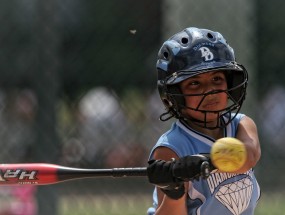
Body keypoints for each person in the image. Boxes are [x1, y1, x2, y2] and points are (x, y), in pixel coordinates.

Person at [146, 27, 261, 215]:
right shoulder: (171, 147)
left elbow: (249, 156)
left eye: (217, 79)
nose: (210, 90)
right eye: (195, 83)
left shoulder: (241, 124)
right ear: (175, 95)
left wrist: (206, 161)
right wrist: (174, 189)